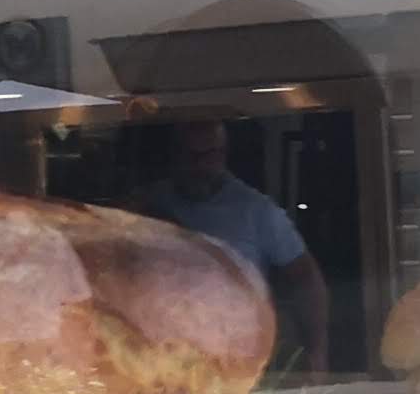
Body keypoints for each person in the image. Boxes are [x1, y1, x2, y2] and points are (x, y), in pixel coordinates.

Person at [130, 114, 331, 375]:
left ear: (223, 154)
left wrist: (316, 352)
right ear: (175, 155)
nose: (200, 165)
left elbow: (305, 277)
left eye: (210, 154)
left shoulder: (256, 210)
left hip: (236, 354)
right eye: (191, 155)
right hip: (159, 353)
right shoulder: (145, 203)